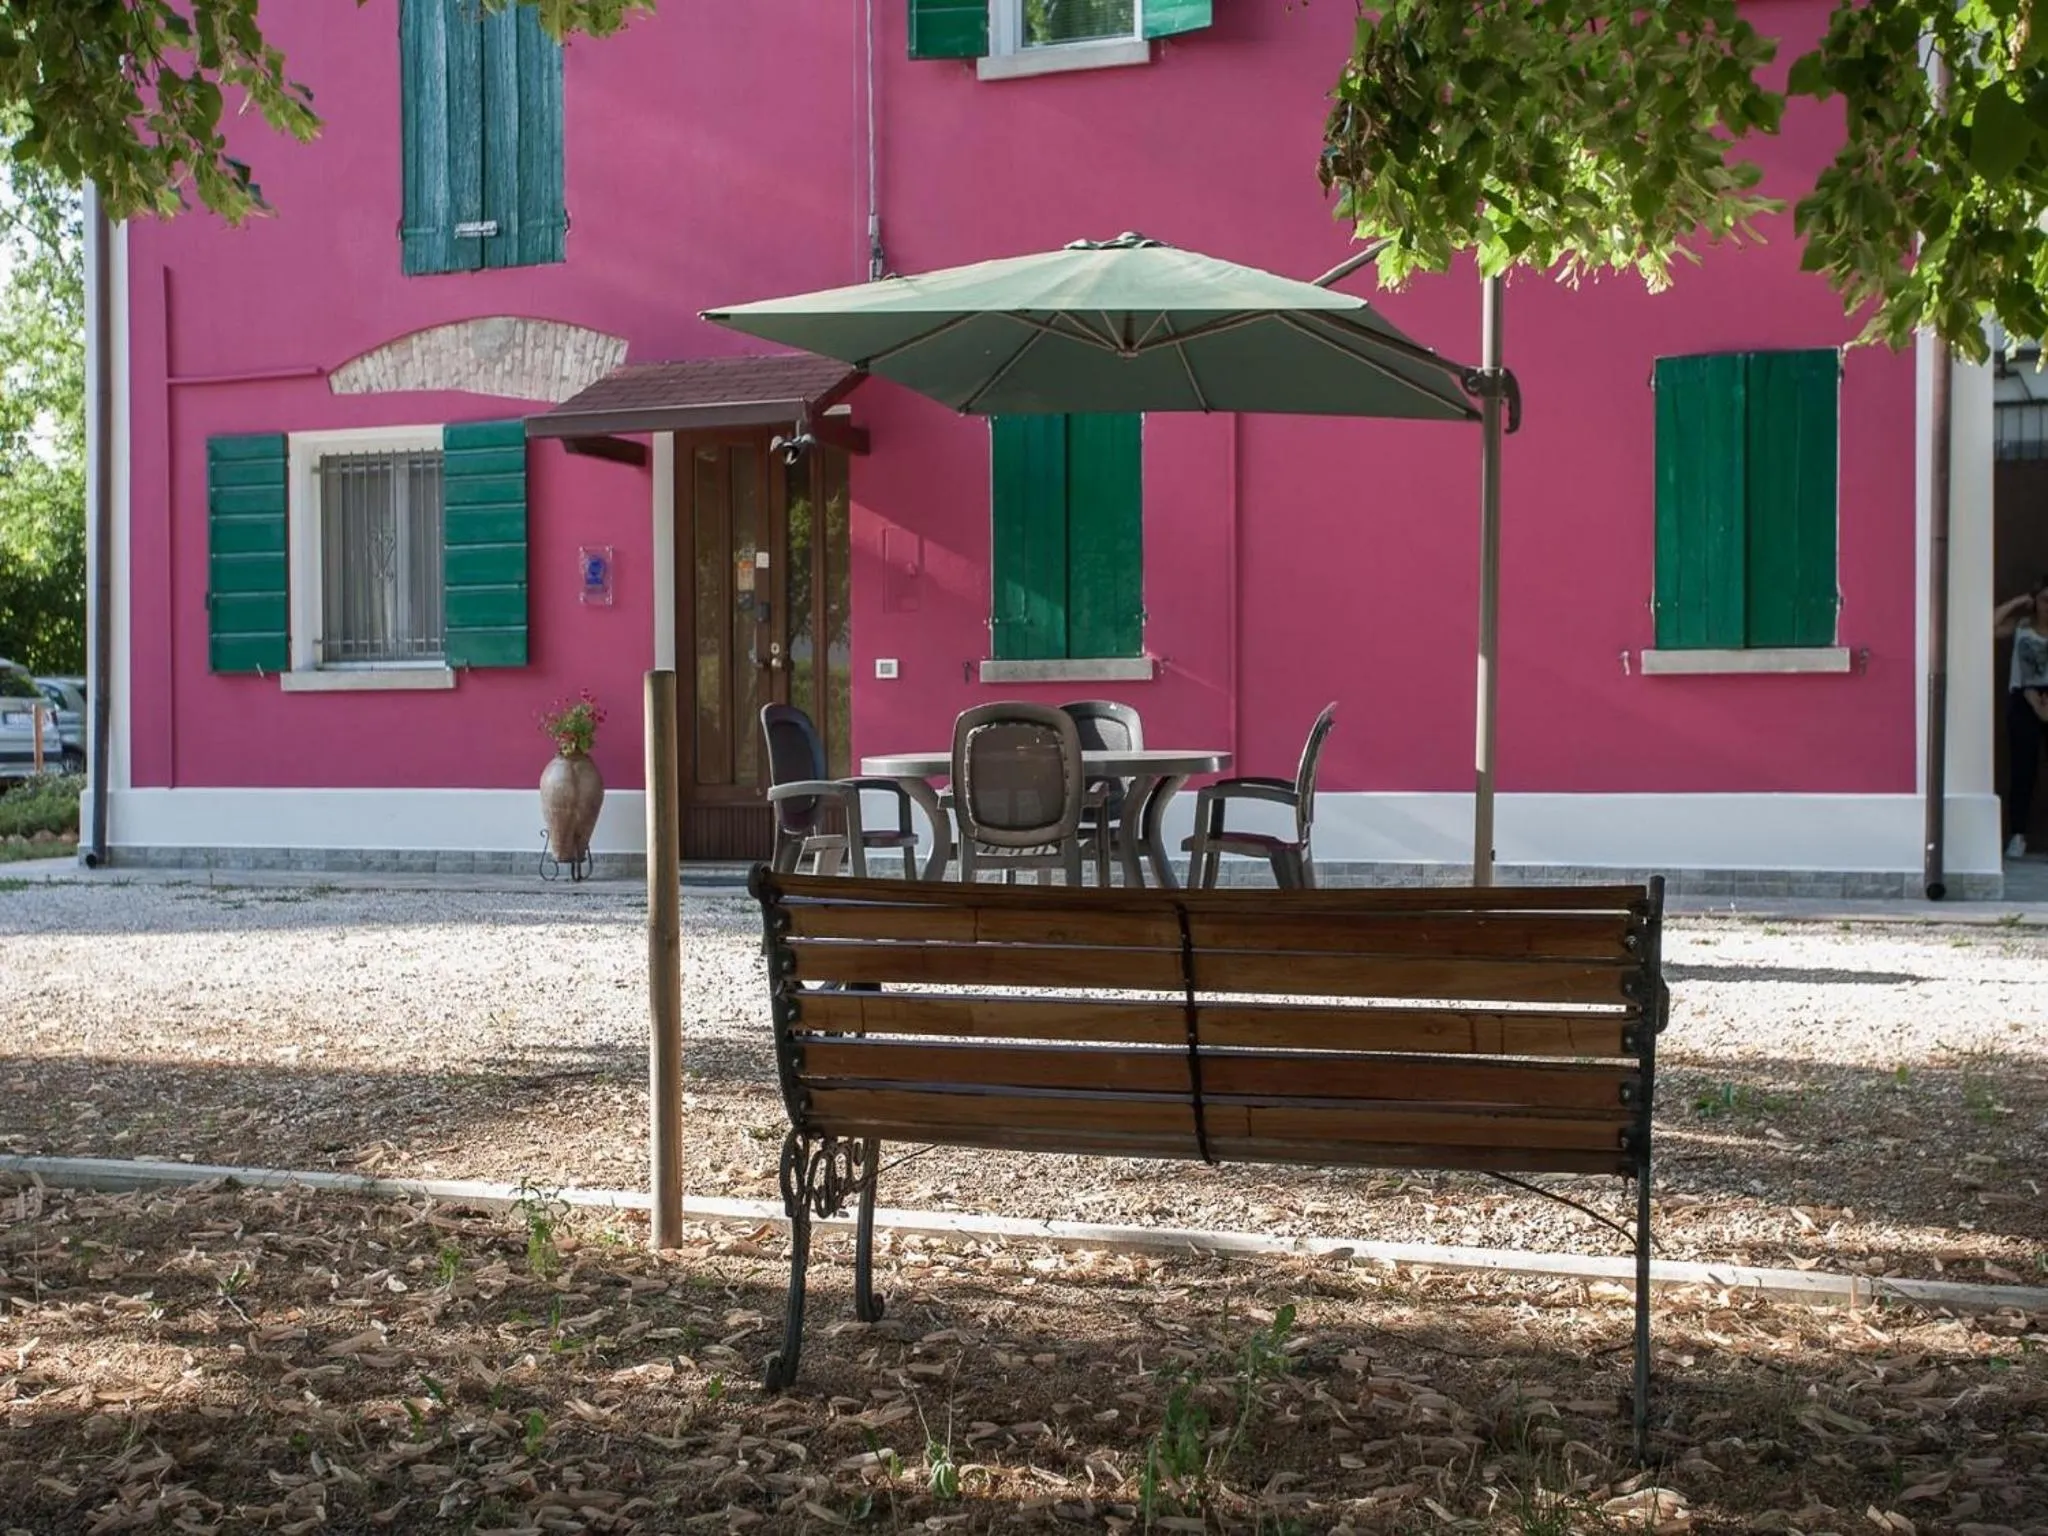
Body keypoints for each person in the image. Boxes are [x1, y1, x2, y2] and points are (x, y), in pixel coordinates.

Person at [1995, 578, 2048, 857]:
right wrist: (2019, 601)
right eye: (2045, 600)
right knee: (2022, 771)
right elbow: (1992, 626)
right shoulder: (2022, 627)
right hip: (2022, 699)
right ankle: (2018, 835)